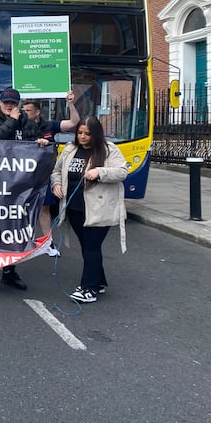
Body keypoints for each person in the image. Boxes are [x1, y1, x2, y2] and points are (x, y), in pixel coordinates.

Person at [0, 87, 51, 291]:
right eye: (6, 103)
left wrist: (40, 143)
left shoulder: (28, 122)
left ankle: (9, 272)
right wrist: (12, 120)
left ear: (18, 104)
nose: (9, 106)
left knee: (12, 229)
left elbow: (33, 144)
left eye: (13, 103)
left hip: (16, 184)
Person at [51, 116, 127, 303]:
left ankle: (88, 289)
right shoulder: (70, 149)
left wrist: (100, 172)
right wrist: (56, 184)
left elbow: (122, 171)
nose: (83, 137)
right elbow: (56, 171)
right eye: (80, 133)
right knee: (87, 247)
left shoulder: (109, 150)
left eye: (88, 134)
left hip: (99, 209)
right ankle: (98, 281)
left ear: (96, 134)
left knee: (92, 247)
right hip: (75, 208)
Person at [22, 91, 81, 253]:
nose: (24, 113)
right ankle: (25, 241)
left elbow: (74, 122)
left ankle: (48, 243)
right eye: (23, 110)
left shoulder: (49, 125)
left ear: (37, 112)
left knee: (44, 208)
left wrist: (70, 103)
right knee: (23, 209)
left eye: (27, 110)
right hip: (24, 174)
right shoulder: (19, 125)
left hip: (45, 173)